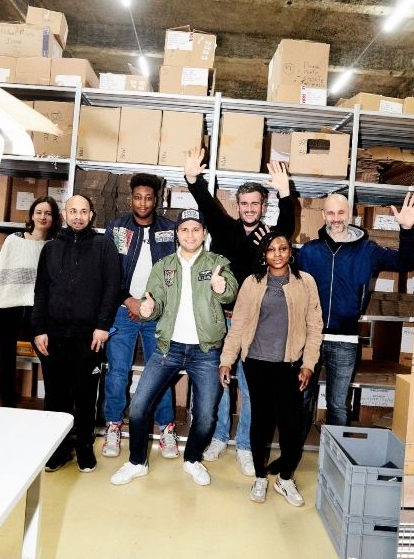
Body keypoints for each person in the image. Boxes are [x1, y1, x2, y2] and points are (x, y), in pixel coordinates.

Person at [184, 149, 296, 475]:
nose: (249, 209)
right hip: (219, 319)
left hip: (255, 324)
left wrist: (285, 192)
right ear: (238, 206)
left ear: (264, 206)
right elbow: (205, 202)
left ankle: (246, 445)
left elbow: (287, 224)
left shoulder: (270, 236)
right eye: (244, 203)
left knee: (251, 387)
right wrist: (192, 178)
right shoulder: (224, 228)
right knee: (218, 382)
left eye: (255, 204)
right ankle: (219, 437)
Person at [109, 208, 237, 488]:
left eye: (195, 229)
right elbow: (152, 306)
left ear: (204, 233)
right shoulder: (164, 266)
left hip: (206, 351)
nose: (190, 235)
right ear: (177, 234)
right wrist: (148, 308)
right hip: (169, 348)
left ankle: (192, 459)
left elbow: (230, 293)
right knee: (140, 407)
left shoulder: (217, 262)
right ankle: (136, 462)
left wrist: (220, 287)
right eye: (184, 229)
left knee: (205, 414)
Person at [296, 189, 414, 433]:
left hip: (345, 341)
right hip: (310, 339)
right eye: (330, 213)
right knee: (301, 402)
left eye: (341, 212)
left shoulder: (368, 250)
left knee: (338, 405)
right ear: (323, 215)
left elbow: (406, 262)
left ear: (350, 214)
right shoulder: (310, 251)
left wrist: (406, 230)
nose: (336, 218)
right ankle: (291, 462)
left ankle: (334, 463)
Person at [220, 230, 323, 506]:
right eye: (271, 249)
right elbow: (238, 325)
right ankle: (260, 478)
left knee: (291, 424)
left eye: (283, 248)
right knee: (260, 422)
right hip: (256, 363)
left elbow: (315, 327)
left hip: (290, 365)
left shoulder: (305, 282)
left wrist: (309, 364)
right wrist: (226, 360)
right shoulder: (252, 283)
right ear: (264, 255)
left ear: (291, 252)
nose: (277, 254)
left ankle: (285, 478)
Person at [31, 194, 121, 473]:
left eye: (84, 211)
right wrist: (39, 329)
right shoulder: (51, 248)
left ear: (91, 215)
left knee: (85, 395)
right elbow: (41, 291)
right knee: (55, 396)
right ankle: (58, 451)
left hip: (88, 335)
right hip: (54, 335)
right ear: (65, 215)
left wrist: (103, 326)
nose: (78, 216)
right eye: (73, 211)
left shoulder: (104, 246)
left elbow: (112, 288)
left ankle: (83, 447)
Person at [101, 173, 179, 460]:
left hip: (157, 314)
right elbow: (109, 273)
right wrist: (129, 301)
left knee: (159, 372)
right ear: (130, 198)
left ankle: (166, 428)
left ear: (156, 199)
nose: (143, 203)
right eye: (138, 197)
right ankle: (113, 425)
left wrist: (152, 303)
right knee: (118, 372)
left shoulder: (170, 230)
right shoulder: (117, 228)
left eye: (148, 197)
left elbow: (176, 274)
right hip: (122, 312)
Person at [0, 196, 61, 408]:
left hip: (37, 314)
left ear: (54, 217)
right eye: (39, 212)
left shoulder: (55, 246)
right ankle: (7, 410)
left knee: (51, 362)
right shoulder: (13, 240)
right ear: (31, 214)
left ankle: (53, 412)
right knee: (5, 365)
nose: (42, 217)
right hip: (6, 311)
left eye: (48, 213)